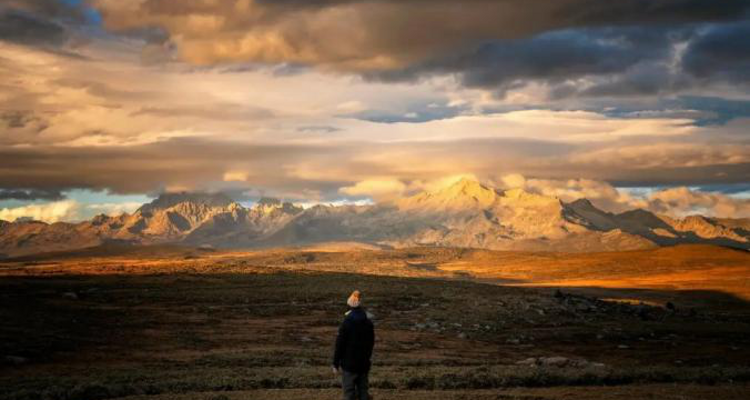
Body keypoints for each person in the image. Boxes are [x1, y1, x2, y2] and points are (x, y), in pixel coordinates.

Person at [332, 290, 375, 400]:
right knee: (363, 393)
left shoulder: (347, 323)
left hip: (349, 365)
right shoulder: (368, 323)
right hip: (364, 364)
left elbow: (339, 344)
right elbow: (371, 344)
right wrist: (367, 359)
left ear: (349, 306)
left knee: (349, 393)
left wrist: (335, 363)